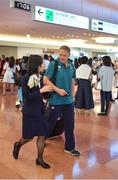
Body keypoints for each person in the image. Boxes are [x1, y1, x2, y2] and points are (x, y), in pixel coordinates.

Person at [13, 55, 53, 169]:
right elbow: (27, 97)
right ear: (37, 66)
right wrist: (41, 90)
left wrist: (48, 91)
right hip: (30, 112)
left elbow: (41, 94)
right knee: (28, 137)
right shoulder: (25, 78)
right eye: (42, 64)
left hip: (40, 110)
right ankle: (17, 145)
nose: (44, 66)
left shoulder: (40, 77)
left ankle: (39, 159)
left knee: (42, 135)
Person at [43, 45, 80, 157]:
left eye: (64, 55)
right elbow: (45, 79)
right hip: (56, 100)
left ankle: (70, 147)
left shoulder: (72, 66)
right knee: (49, 123)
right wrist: (57, 90)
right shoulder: (54, 64)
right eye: (60, 55)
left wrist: (73, 95)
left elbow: (73, 81)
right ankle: (42, 139)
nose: (62, 57)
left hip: (68, 101)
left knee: (70, 124)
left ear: (69, 55)